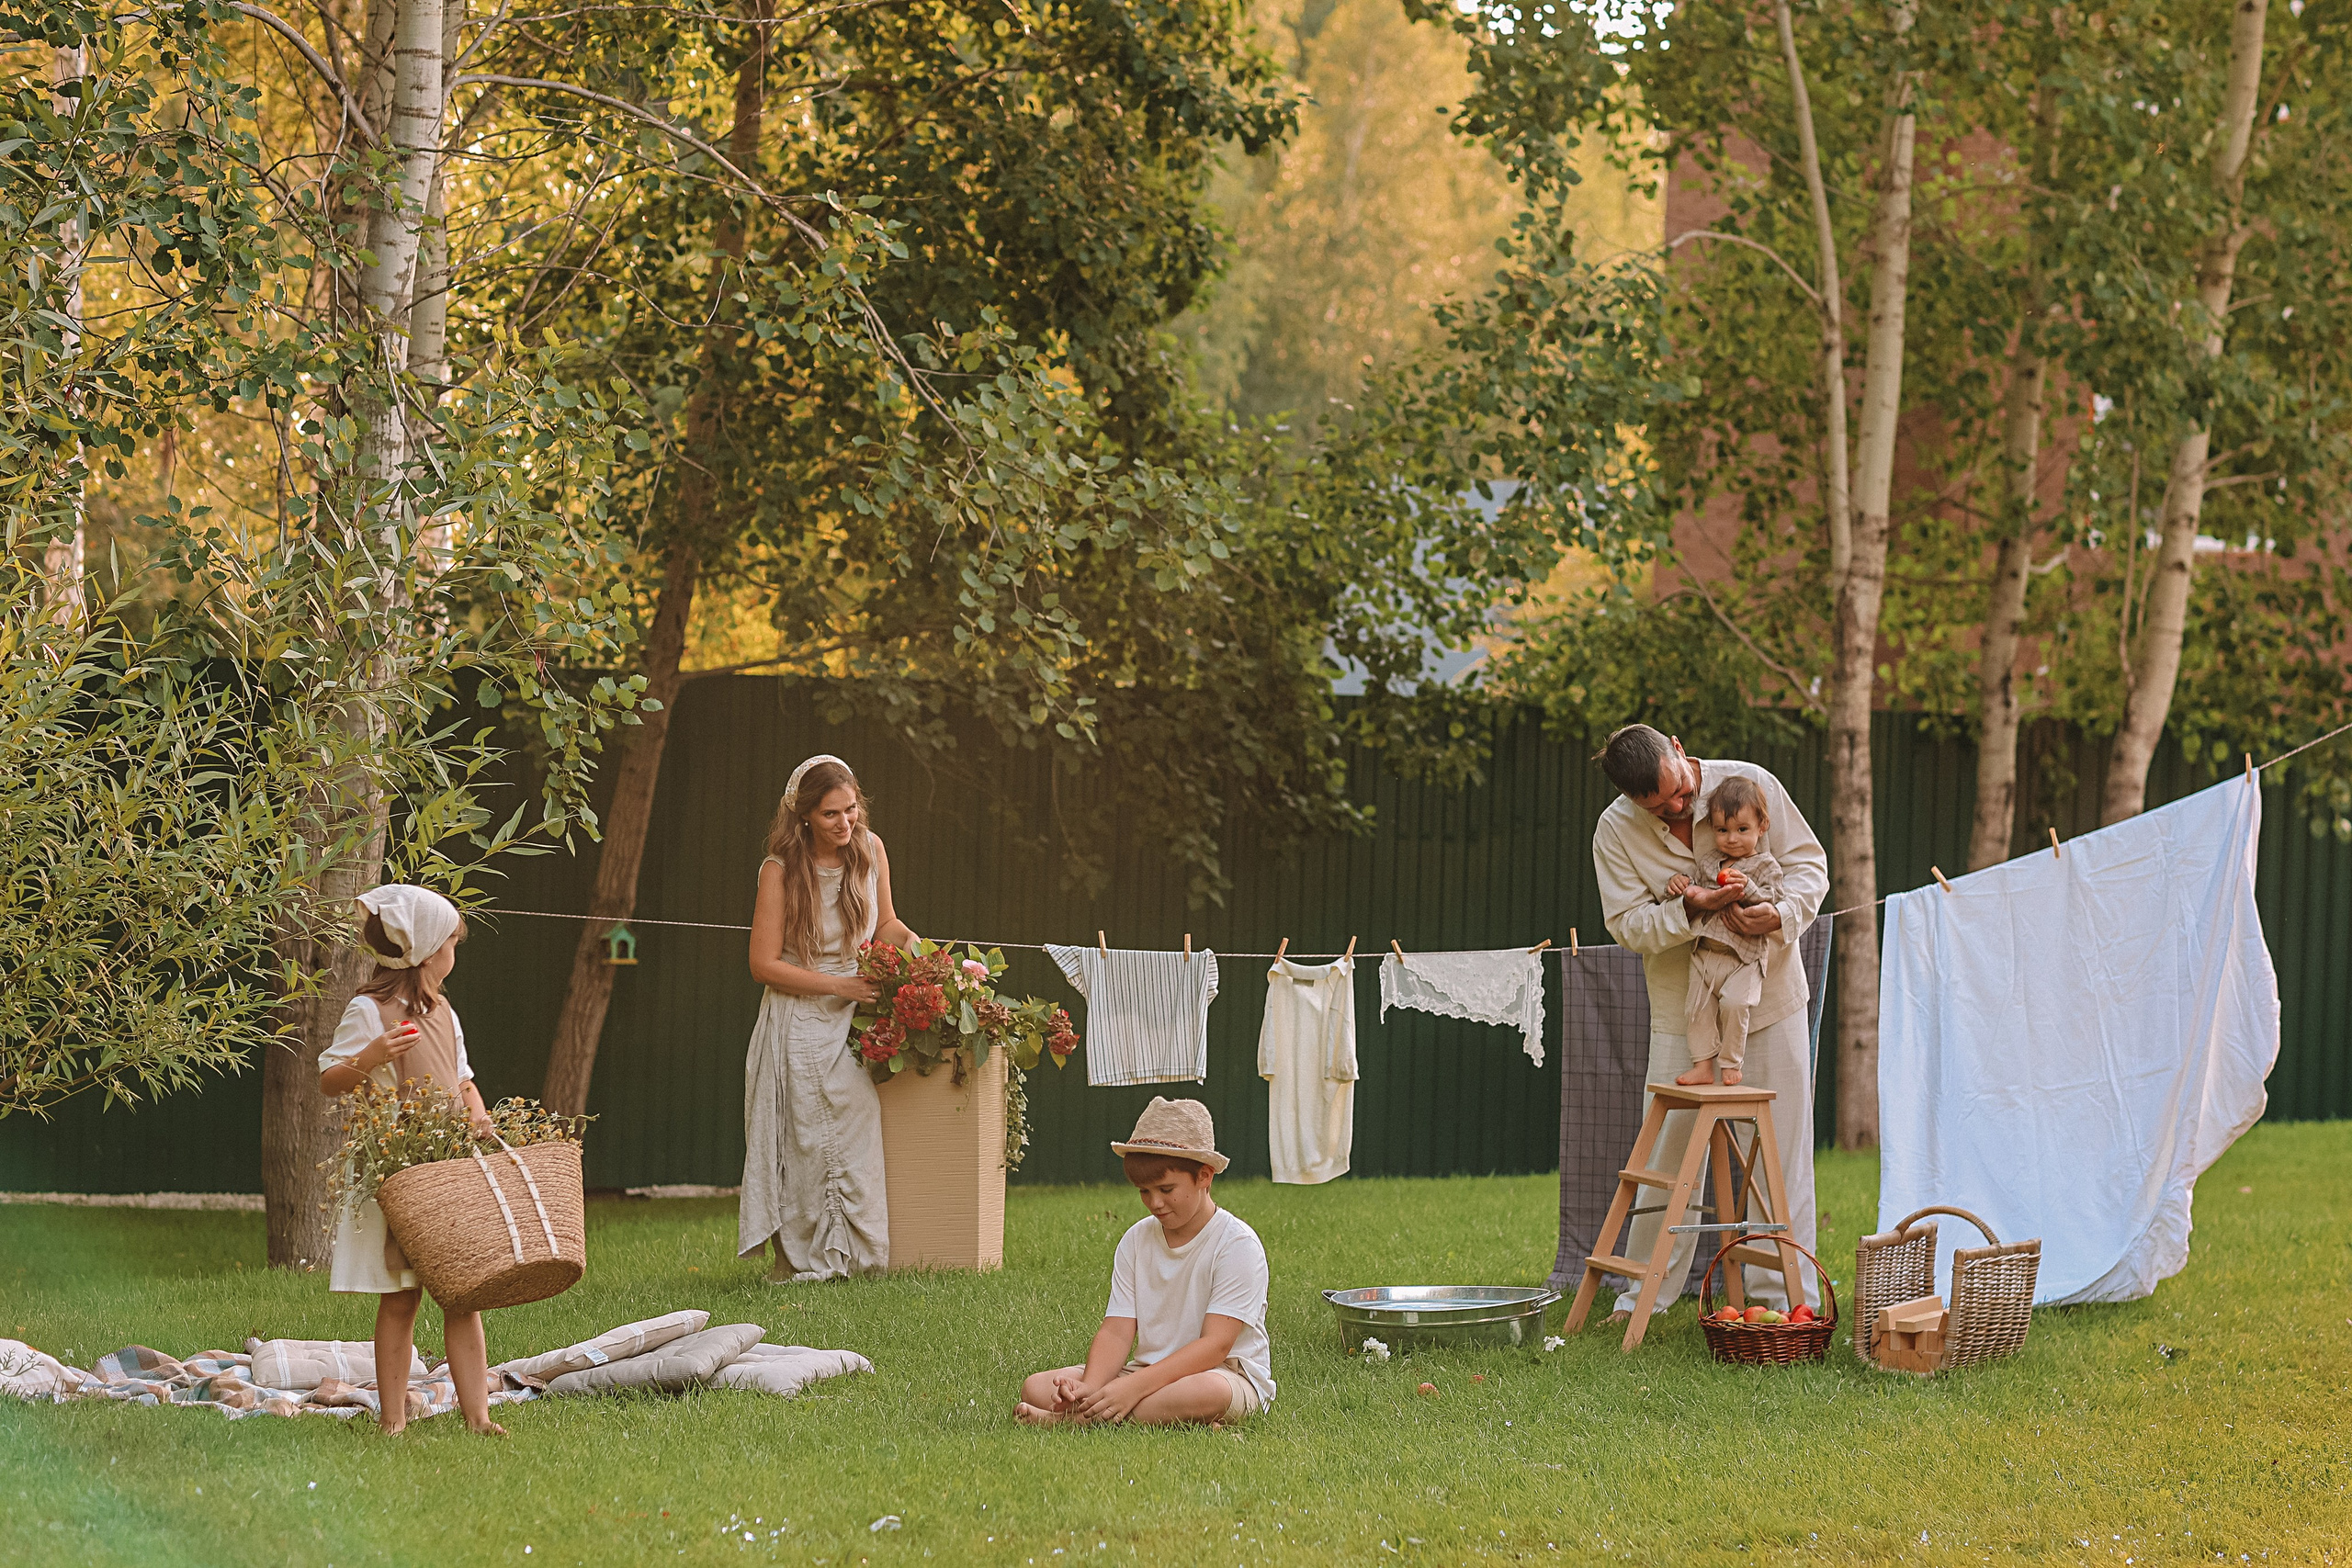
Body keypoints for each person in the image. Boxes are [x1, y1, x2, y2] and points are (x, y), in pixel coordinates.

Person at [1590, 724, 1826, 1317]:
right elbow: (1625, 924)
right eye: (1660, 806)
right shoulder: (1614, 831)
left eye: (1679, 791)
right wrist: (1687, 912)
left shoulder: (1752, 783)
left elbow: (1810, 866)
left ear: (1678, 746)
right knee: (1668, 1160)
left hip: (1768, 1000)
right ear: (1630, 800)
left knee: (1780, 1154)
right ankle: (1644, 1293)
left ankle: (1783, 1302)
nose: (1678, 806)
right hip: (1684, 1010)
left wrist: (1777, 913)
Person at [317, 884, 505, 1437]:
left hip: (446, 1167)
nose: (455, 953)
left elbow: (462, 1077)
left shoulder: (444, 1011)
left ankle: (479, 1416)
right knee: (401, 1298)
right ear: (425, 951)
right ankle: (393, 1419)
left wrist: (478, 1112)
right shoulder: (367, 1012)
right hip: (399, 1174)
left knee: (461, 1294)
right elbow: (331, 1080)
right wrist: (370, 1056)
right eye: (452, 942)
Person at [739, 753, 918, 1283]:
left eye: (852, 809)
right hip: (800, 1015)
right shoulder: (779, 870)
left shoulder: (870, 850)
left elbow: (884, 923)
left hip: (853, 1008)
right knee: (807, 1141)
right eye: (831, 815)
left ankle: (855, 1259)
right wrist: (841, 986)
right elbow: (763, 965)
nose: (846, 823)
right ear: (803, 818)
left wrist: (918, 953)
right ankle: (799, 1260)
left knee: (855, 1124)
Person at [1014, 1098, 1274, 1427]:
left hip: (1223, 1375)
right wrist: (1088, 1387)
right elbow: (1117, 1332)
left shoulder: (1237, 1244)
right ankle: (1118, 1411)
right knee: (1035, 1386)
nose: (1155, 1203)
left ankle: (1075, 1422)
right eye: (1144, 1191)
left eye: (1166, 1189)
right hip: (1146, 1374)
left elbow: (1216, 1345)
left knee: (1207, 1393)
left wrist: (1130, 1388)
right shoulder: (1136, 1240)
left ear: (1204, 1176)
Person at [1663, 775, 1785, 1088]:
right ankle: (1703, 1065)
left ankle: (1731, 1062)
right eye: (1722, 830)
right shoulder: (1708, 864)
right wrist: (1678, 887)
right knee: (1696, 1009)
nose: (1732, 838)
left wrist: (1750, 888)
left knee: (1735, 1004)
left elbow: (1774, 901)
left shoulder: (1765, 866)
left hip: (1743, 958)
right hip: (1706, 952)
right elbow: (1695, 895)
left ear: (1762, 826)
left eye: (1742, 830)